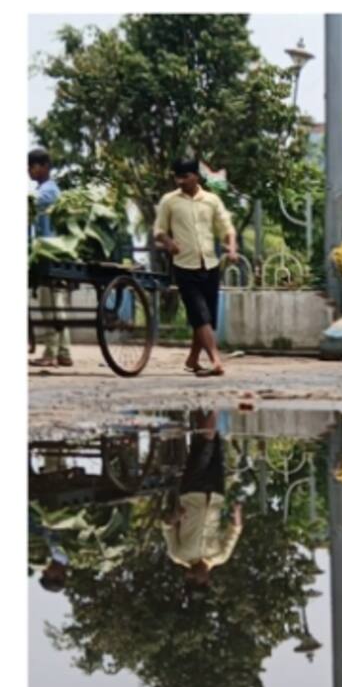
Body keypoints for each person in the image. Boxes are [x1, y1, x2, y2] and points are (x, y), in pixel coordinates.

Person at [153, 157, 238, 378]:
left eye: (185, 176)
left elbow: (226, 228)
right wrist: (169, 243)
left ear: (196, 177)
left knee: (207, 317)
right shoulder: (169, 201)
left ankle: (192, 359)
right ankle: (216, 360)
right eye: (177, 177)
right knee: (200, 315)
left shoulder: (211, 200)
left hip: (209, 264)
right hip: (184, 266)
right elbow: (159, 230)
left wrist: (231, 248)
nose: (180, 181)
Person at [162, 416, 242, 589]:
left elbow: (166, 526)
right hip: (216, 495)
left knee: (206, 444)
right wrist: (236, 515)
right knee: (212, 447)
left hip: (192, 491)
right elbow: (234, 532)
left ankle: (214, 407)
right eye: (194, 579)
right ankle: (201, 408)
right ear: (206, 579)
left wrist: (175, 518)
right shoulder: (220, 556)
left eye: (187, 578)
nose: (189, 574)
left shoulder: (178, 555)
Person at [29, 148, 73, 369]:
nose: (29, 170)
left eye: (33, 166)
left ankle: (51, 352)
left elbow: (30, 201)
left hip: (49, 252)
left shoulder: (47, 191)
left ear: (45, 166)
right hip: (55, 252)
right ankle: (64, 352)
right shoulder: (46, 190)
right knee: (58, 305)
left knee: (50, 305)